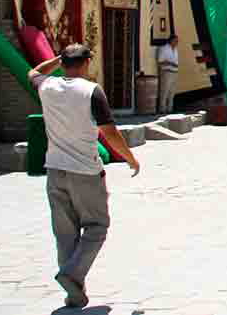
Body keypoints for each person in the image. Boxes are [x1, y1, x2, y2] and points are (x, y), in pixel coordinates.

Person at [29, 44, 140, 310]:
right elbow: (110, 132)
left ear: (64, 61)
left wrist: (57, 59)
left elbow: (32, 71)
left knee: (65, 235)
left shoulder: (47, 86)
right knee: (96, 226)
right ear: (87, 62)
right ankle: (72, 275)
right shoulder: (90, 91)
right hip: (86, 171)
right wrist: (130, 158)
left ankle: (74, 295)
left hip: (55, 169)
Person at [156, 34, 180, 114]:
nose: (177, 42)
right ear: (171, 40)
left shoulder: (175, 49)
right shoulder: (164, 48)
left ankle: (170, 109)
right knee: (164, 91)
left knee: (172, 92)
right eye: (175, 40)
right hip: (166, 72)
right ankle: (162, 109)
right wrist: (171, 63)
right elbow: (160, 61)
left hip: (174, 72)